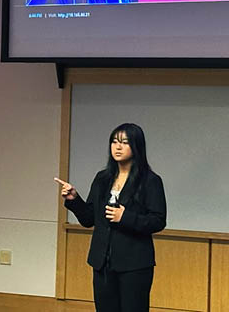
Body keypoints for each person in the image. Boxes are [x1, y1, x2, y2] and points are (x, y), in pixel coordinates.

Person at [54, 123, 167, 312]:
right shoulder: (102, 178)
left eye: (124, 142)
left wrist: (126, 217)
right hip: (102, 262)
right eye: (114, 142)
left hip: (134, 264)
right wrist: (74, 199)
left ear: (136, 147)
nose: (118, 147)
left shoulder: (150, 181)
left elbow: (158, 220)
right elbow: (89, 219)